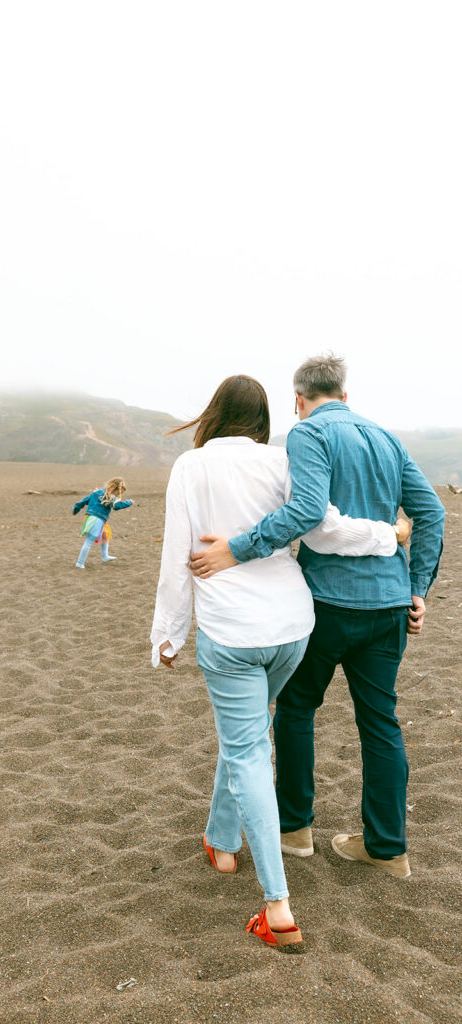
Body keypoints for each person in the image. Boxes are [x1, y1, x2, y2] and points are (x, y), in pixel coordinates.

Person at [151, 375, 409, 952]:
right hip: (293, 627)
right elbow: (327, 525)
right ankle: (222, 842)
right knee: (244, 734)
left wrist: (168, 635)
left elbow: (177, 556)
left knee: (246, 747)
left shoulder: (190, 468)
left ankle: (278, 906)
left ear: (213, 415)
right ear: (264, 418)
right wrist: (389, 533)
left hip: (233, 631)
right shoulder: (280, 461)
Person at [189, 355, 445, 880]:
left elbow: (307, 512)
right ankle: (388, 848)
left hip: (327, 604)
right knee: (380, 722)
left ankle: (295, 830)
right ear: (345, 396)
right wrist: (417, 589)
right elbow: (432, 512)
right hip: (389, 607)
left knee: (298, 710)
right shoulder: (387, 439)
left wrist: (238, 549)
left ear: (298, 400)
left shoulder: (307, 434)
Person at [72, 477, 133, 568]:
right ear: (115, 489)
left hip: (92, 518)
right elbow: (117, 506)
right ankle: (80, 563)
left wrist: (75, 510)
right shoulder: (111, 497)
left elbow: (83, 501)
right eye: (119, 493)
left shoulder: (96, 493)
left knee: (105, 534)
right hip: (96, 520)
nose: (118, 495)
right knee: (89, 541)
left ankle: (104, 556)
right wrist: (129, 502)